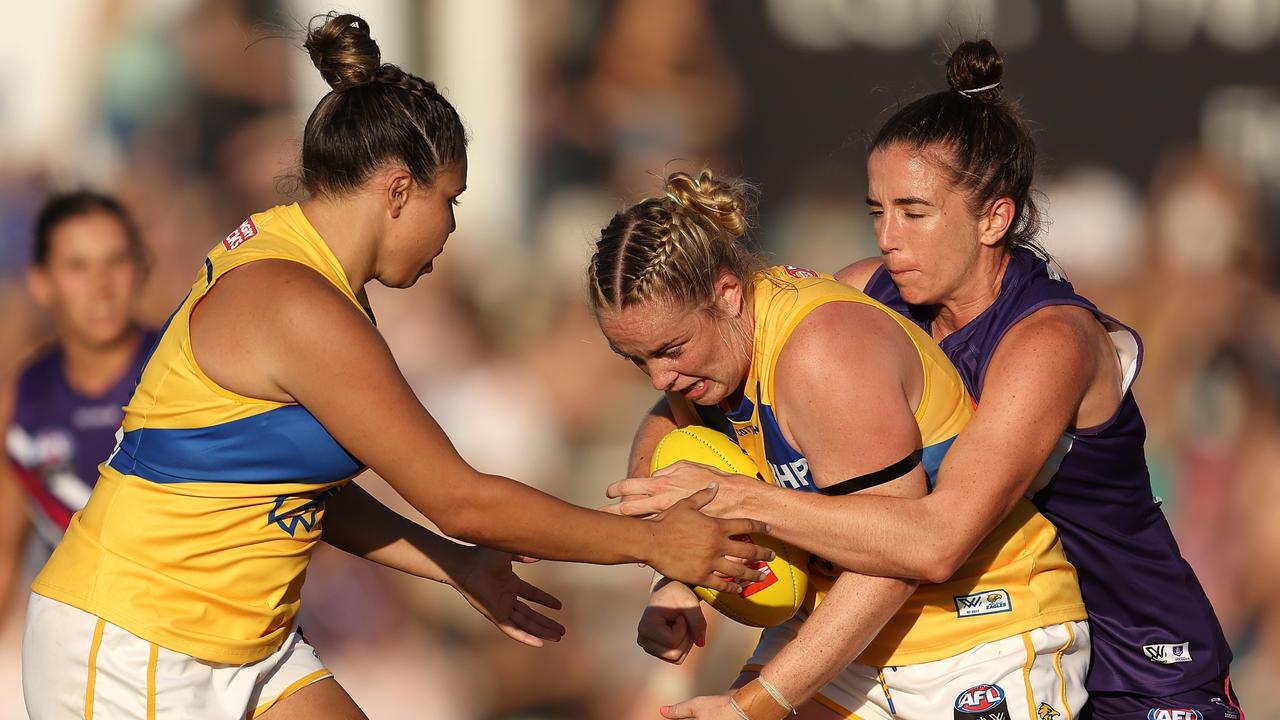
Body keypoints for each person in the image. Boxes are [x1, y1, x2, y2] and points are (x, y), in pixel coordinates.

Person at [21, 13, 772, 720]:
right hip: (133, 640)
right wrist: (651, 542)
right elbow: (464, 500)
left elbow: (308, 489)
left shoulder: (307, 274)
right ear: (399, 191)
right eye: (451, 200)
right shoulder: (298, 303)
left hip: (241, 641)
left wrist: (457, 565)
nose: (451, 226)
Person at [609, 40, 1242, 720]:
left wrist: (745, 501)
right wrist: (670, 569)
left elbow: (936, 540)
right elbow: (682, 398)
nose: (887, 237)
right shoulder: (864, 296)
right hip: (972, 625)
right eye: (877, 210)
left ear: (995, 218)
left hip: (1137, 651)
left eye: (913, 213)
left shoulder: (1045, 343)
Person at [589, 168, 1088, 719]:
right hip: (843, 640)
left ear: (727, 293)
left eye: (670, 349)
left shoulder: (820, 353)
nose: (659, 378)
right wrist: (675, 568)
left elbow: (899, 559)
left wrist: (758, 703)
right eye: (637, 360)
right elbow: (664, 432)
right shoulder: (709, 357)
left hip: (974, 635)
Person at [0, 192, 158, 620]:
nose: (101, 286)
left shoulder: (183, 366)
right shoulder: (22, 399)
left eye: (116, 261)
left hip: (189, 631)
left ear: (142, 268)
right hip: (78, 641)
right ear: (40, 282)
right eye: (77, 266)